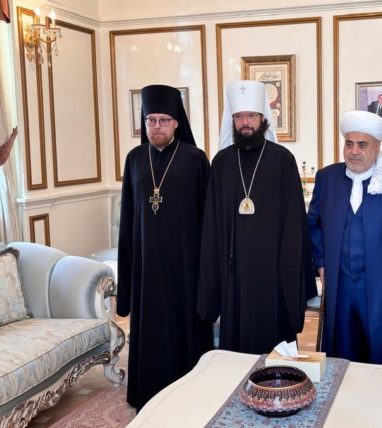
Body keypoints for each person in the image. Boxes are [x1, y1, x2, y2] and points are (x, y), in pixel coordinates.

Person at [198, 80, 317, 354]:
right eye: (239, 117)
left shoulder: (283, 159)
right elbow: (212, 225)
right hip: (234, 272)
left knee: (274, 345)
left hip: (273, 272)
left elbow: (294, 222)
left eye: (251, 115)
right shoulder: (222, 162)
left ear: (263, 118)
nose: (245, 123)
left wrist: (291, 270)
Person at [117, 84, 213, 412]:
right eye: (150, 121)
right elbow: (127, 220)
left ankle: (191, 393)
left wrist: (206, 274)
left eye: (163, 121)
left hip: (185, 267)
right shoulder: (134, 160)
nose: (156, 127)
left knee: (186, 331)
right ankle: (148, 393)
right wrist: (127, 280)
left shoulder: (196, 159)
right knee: (151, 331)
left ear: (176, 123)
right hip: (146, 268)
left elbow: (207, 219)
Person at [307, 110, 382, 364]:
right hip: (341, 285)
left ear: (377, 146)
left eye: (362, 145)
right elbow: (313, 224)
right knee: (343, 352)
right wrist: (321, 262)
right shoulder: (327, 178)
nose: (353, 152)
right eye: (349, 144)